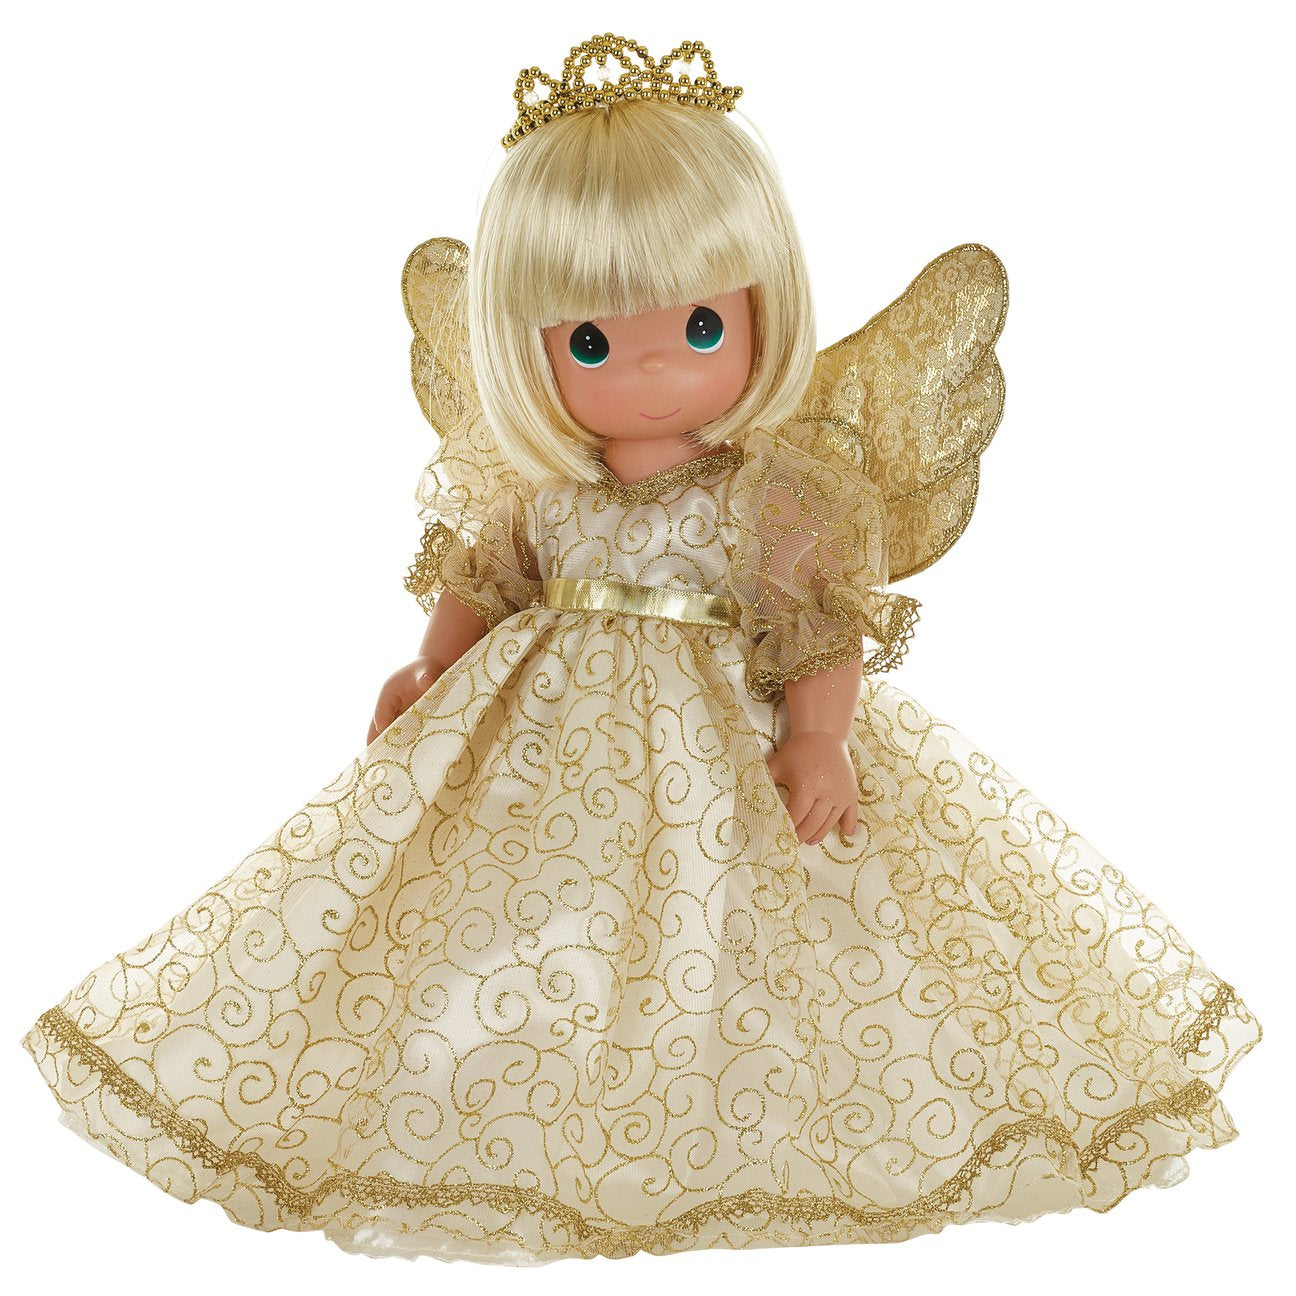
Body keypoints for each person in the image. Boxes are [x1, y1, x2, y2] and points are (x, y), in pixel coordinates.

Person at [20, 31, 1261, 1267]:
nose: (656, 365)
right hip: (538, 754)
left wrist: (821, 734)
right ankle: (516, 1093)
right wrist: (430, 669)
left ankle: (721, 1107)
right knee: (508, 918)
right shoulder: (542, 494)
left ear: (765, 311)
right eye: (594, 343)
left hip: (724, 752)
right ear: (527, 349)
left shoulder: (770, 492)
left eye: (702, 325)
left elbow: (817, 619)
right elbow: (484, 582)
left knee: (744, 923)